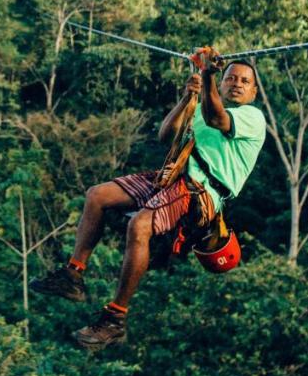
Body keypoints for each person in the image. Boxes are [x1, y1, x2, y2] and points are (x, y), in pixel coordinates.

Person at [30, 46, 266, 350]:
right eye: (231, 78)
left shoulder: (252, 118)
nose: (236, 83)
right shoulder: (204, 108)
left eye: (244, 81)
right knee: (97, 196)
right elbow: (166, 136)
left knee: (139, 227)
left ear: (254, 91)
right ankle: (72, 275)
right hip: (172, 176)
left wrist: (207, 73)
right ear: (222, 84)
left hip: (200, 192)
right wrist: (186, 98)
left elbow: (218, 118)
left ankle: (114, 319)